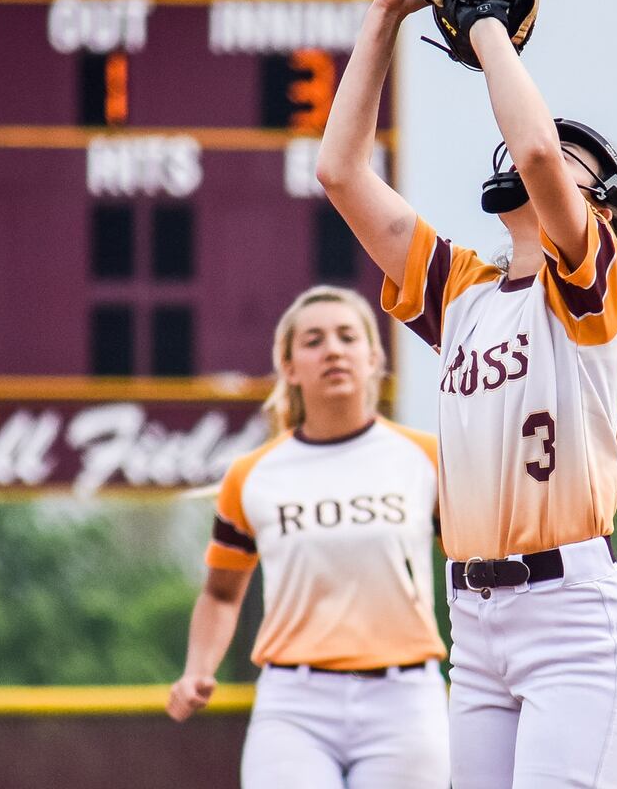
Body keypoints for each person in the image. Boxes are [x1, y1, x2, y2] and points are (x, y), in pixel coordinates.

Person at [314, 0, 617, 789]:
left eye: (581, 166)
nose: (538, 157)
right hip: (474, 625)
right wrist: (386, 13)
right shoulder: (462, 293)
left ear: (603, 211)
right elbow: (340, 173)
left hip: (574, 625)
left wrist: (485, 31)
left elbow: (543, 149)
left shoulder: (591, 292)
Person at [166, 285, 450, 789]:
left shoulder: (427, 458)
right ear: (289, 367)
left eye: (348, 336)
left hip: (406, 701)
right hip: (294, 706)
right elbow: (220, 594)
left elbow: (476, 568)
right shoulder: (252, 475)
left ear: (373, 358)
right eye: (314, 340)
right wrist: (196, 670)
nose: (334, 350)